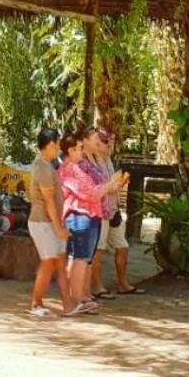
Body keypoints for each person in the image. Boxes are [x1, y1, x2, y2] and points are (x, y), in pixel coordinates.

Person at [58, 130, 128, 317]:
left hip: (88, 215)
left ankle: (77, 298)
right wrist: (109, 184)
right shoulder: (70, 169)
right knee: (80, 259)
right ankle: (75, 300)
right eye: (79, 148)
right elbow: (90, 192)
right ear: (70, 150)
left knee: (81, 258)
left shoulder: (76, 167)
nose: (82, 152)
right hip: (82, 216)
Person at [85, 128, 142, 297]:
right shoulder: (90, 162)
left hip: (113, 208)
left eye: (110, 141)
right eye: (104, 141)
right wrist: (112, 185)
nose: (109, 145)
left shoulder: (108, 160)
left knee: (122, 246)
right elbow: (98, 188)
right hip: (100, 210)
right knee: (99, 248)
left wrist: (118, 185)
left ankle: (123, 284)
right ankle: (96, 286)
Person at [25, 128, 68, 317]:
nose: (59, 148)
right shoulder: (42, 167)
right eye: (57, 144)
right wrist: (58, 227)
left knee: (52, 261)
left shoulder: (45, 165)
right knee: (48, 262)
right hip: (42, 221)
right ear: (51, 145)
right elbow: (48, 200)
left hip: (46, 221)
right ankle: (36, 303)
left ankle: (50, 301)